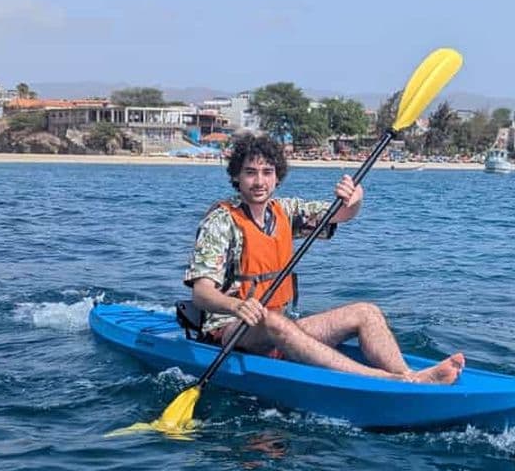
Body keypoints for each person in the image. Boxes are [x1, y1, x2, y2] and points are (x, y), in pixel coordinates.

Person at [184, 132, 464, 384]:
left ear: (277, 177)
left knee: (367, 312)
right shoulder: (221, 221)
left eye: (267, 172)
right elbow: (202, 294)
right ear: (237, 177)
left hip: (278, 327)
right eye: (250, 173)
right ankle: (385, 380)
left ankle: (409, 376)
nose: (259, 181)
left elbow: (340, 214)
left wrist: (354, 200)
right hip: (230, 331)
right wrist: (236, 305)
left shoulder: (286, 210)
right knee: (273, 321)